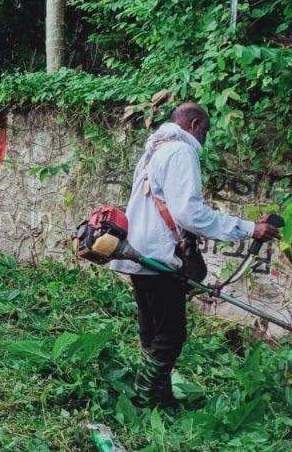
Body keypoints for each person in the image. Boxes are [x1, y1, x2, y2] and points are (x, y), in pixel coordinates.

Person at [109, 102, 282, 408]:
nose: (204, 140)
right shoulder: (181, 151)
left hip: (138, 252)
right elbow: (190, 214)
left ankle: (158, 398)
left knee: (153, 330)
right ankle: (144, 401)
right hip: (160, 256)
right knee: (171, 335)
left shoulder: (155, 149)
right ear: (196, 124)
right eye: (206, 131)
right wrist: (249, 228)